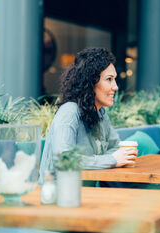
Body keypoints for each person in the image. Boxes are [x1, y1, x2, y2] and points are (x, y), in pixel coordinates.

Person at [39, 47, 137, 183]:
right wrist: (111, 160)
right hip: (56, 196)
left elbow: (114, 147)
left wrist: (110, 159)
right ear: (90, 82)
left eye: (114, 79)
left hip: (86, 194)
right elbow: (63, 159)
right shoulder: (69, 112)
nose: (115, 87)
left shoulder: (100, 113)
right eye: (109, 79)